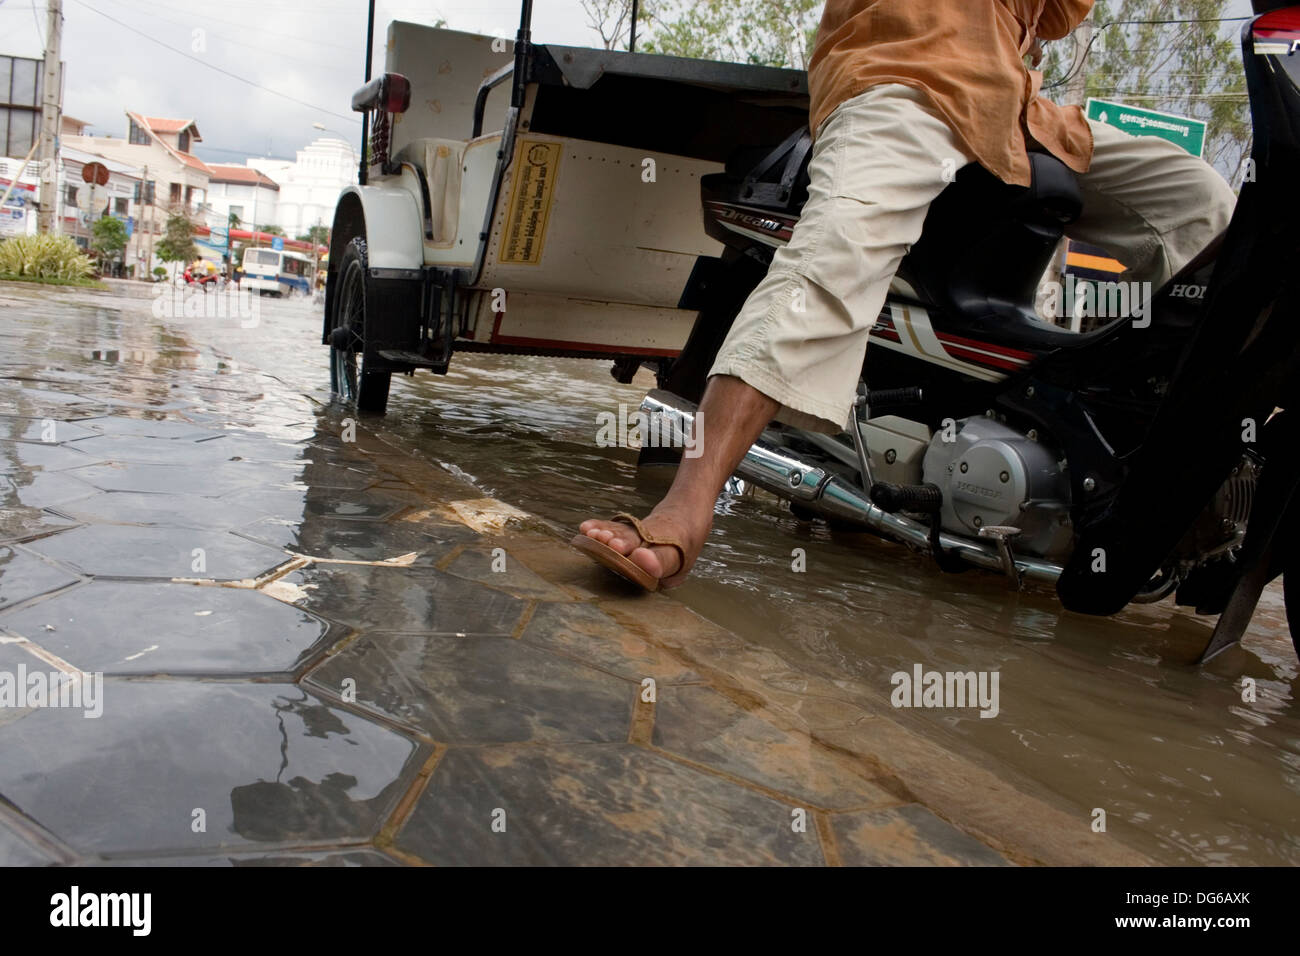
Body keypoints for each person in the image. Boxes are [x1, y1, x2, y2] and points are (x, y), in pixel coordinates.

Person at [572, 0, 1236, 591]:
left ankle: (1168, 474)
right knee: (834, 252)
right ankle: (687, 505)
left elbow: (1061, 16)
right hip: (902, 79)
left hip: (1016, 111)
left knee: (1205, 207)